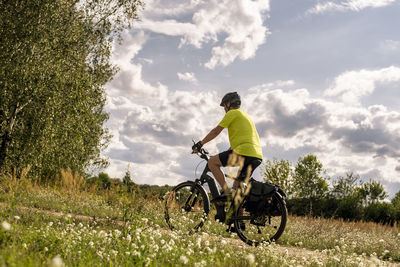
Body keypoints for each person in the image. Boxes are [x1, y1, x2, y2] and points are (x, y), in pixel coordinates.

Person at [192, 92, 263, 206]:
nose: (224, 109)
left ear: (229, 104)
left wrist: (200, 144)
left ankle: (226, 191)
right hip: (256, 156)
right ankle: (238, 222)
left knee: (212, 162)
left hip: (243, 152)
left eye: (224, 106)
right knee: (237, 191)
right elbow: (242, 140)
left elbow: (216, 131)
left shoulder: (232, 113)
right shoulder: (246, 116)